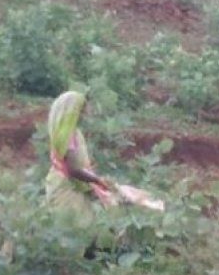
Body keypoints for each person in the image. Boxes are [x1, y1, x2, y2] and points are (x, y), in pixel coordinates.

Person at [46, 91, 163, 225]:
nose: (84, 115)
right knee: (75, 225)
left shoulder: (65, 133)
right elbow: (74, 169)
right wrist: (97, 180)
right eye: (82, 111)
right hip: (68, 187)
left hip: (63, 183)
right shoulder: (69, 136)